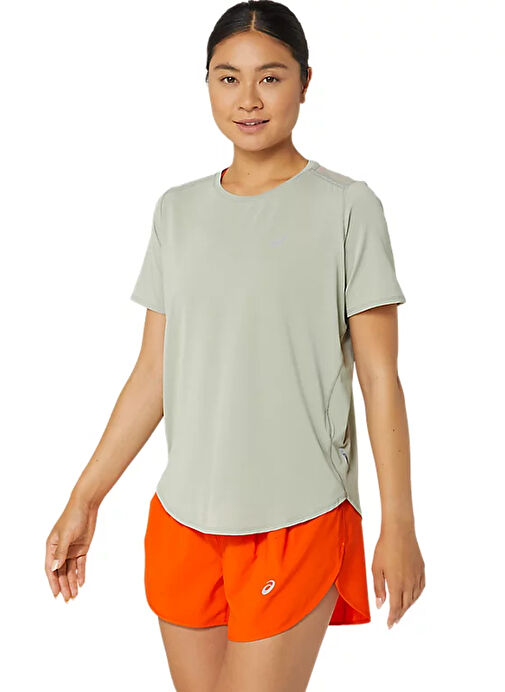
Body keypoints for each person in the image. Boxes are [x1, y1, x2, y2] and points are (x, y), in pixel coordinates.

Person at [45, 1, 425, 689]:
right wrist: (86, 497)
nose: (248, 99)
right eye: (228, 78)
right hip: (185, 517)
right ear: (208, 85)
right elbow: (153, 373)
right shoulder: (177, 211)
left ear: (305, 82)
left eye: (270, 77)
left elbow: (379, 378)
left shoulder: (347, 207)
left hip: (298, 514)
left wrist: (397, 522)